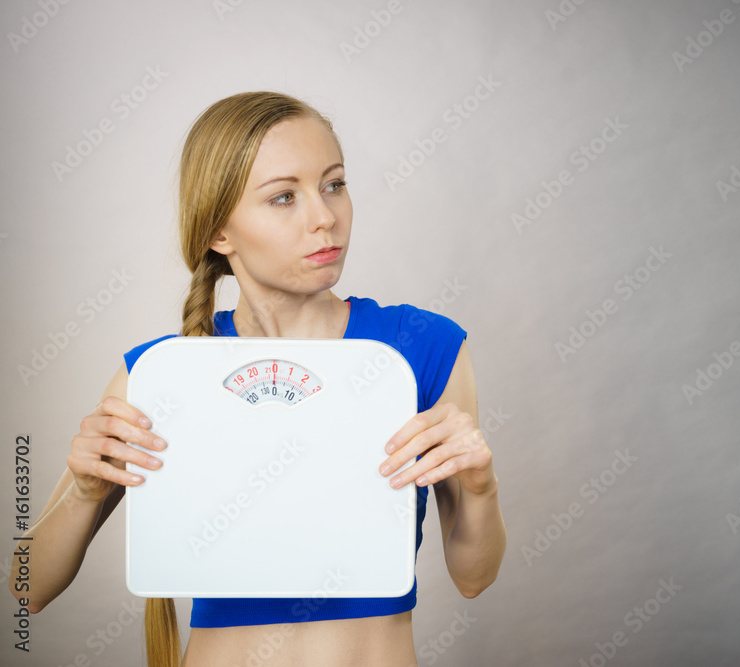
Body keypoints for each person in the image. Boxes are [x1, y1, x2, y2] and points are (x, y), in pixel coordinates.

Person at [9, 91, 506, 666]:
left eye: (334, 184)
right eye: (283, 197)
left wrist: (480, 488)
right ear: (220, 232)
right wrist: (84, 489)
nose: (324, 217)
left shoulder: (423, 348)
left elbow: (474, 578)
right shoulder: (159, 373)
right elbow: (27, 590)